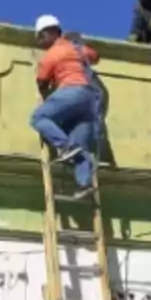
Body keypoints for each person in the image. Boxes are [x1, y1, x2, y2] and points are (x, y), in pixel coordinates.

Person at [30, 14, 101, 197]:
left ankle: (65, 146)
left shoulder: (53, 53)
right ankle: (84, 184)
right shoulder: (77, 48)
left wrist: (46, 88)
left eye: (41, 36)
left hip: (72, 91)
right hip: (89, 99)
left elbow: (41, 80)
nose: (40, 42)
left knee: (38, 118)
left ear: (51, 33)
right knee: (81, 146)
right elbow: (95, 56)